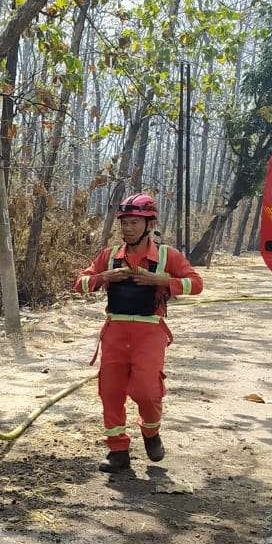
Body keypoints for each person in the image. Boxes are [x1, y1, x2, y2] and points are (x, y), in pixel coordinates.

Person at [73, 193, 203, 473]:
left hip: (149, 332)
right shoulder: (109, 256)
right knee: (110, 391)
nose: (128, 228)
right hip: (115, 331)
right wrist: (102, 278)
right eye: (125, 222)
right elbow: (80, 284)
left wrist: (160, 280)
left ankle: (151, 432)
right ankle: (118, 451)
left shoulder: (168, 256)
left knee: (146, 390)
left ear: (149, 224)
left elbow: (196, 284)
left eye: (134, 222)